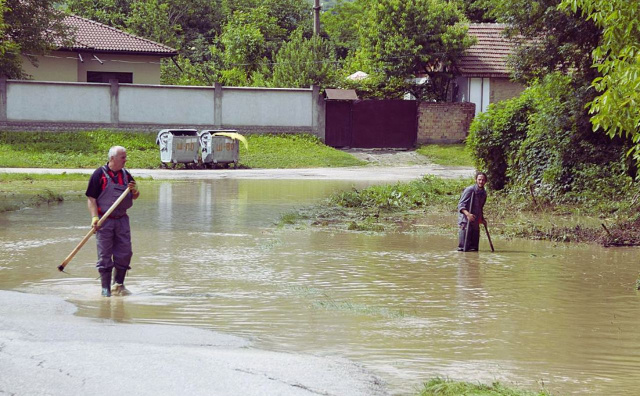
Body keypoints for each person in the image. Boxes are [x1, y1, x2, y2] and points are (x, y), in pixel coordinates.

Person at [86, 146, 139, 297]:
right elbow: (91, 199)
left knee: (125, 252)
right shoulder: (99, 175)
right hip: (104, 221)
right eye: (123, 157)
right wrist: (94, 217)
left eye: (125, 157)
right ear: (112, 158)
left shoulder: (126, 175)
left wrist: (135, 191)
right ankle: (105, 290)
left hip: (122, 220)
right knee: (104, 255)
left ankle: (119, 285)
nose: (125, 160)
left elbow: (135, 196)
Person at [457, 171, 488, 251]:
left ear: (485, 181)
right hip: (465, 221)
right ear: (476, 180)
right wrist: (468, 214)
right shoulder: (469, 190)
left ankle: (474, 263)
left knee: (474, 249)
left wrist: (482, 219)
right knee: (463, 248)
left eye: (483, 180)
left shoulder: (484, 193)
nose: (481, 182)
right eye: (479, 179)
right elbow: (461, 205)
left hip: (475, 222)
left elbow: (480, 208)